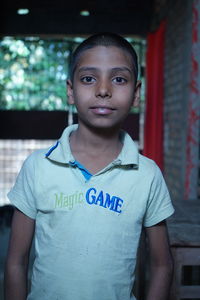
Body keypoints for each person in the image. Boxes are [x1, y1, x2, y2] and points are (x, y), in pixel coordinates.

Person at [4, 33, 174, 300]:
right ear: (71, 91)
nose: (103, 90)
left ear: (136, 94)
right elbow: (16, 262)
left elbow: (162, 265)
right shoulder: (38, 167)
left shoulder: (148, 174)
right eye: (88, 79)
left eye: (119, 79)